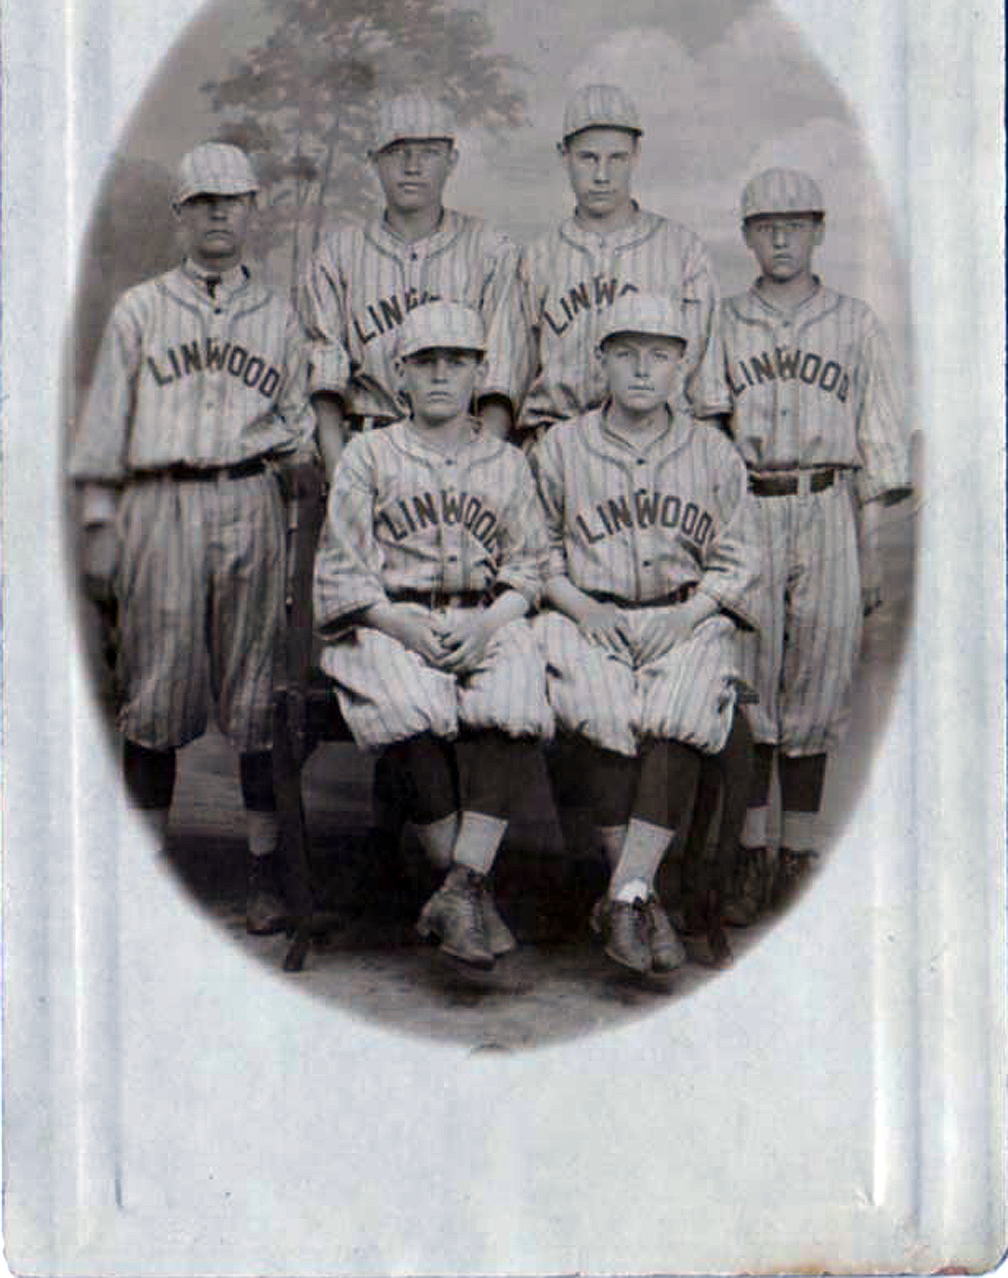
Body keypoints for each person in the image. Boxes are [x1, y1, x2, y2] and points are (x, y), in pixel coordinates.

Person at [69, 142, 316, 932]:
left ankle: (263, 872)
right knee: (155, 695)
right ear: (181, 214)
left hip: (248, 497)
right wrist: (102, 525)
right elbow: (105, 426)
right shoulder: (140, 309)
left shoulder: (276, 314)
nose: (218, 213)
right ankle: (146, 877)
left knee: (256, 700)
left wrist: (297, 473)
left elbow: (296, 428)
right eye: (203, 201)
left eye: (231, 200)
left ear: (252, 211)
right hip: (162, 504)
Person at [312, 301, 553, 969]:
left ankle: (458, 889)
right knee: (410, 707)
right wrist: (398, 623)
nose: (442, 375)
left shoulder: (505, 462)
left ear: (480, 372)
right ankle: (471, 891)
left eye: (457, 361)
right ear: (401, 375)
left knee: (517, 695)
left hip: (482, 615)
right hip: (388, 618)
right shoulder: (368, 455)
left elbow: (529, 570)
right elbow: (342, 572)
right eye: (426, 363)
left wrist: (490, 621)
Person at [531, 295, 760, 974]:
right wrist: (577, 606)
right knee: (602, 708)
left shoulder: (713, 452)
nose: (641, 370)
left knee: (680, 710)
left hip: (683, 615)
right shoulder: (561, 446)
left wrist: (688, 617)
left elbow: (740, 557)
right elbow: (532, 548)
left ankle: (625, 896)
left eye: (659, 355)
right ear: (600, 360)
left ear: (682, 365)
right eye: (625, 353)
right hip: (585, 613)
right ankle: (636, 896)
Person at [720, 168, 912, 918]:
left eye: (794, 224)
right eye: (766, 225)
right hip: (749, 505)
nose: (780, 237)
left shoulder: (856, 322)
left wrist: (867, 552)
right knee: (749, 682)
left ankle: (797, 855)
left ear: (819, 230)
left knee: (819, 683)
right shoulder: (725, 321)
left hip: (829, 503)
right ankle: (748, 857)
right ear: (747, 237)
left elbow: (878, 446)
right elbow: (706, 434)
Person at [299, 90, 521, 482]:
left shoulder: (492, 251)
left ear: (452, 160)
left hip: (464, 452)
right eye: (397, 151)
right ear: (374, 160)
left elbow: (498, 383)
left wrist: (479, 474)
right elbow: (324, 385)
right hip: (366, 450)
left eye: (428, 152)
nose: (412, 166)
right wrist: (341, 476)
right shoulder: (336, 256)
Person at [494, 83, 729, 443]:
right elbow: (503, 383)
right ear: (563, 155)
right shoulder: (538, 257)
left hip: (657, 448)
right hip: (555, 441)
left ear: (636, 154)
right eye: (588, 158)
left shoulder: (682, 251)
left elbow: (707, 394)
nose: (602, 175)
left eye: (616, 158)